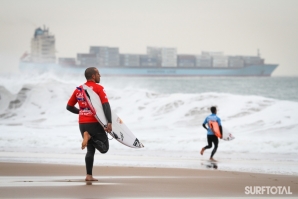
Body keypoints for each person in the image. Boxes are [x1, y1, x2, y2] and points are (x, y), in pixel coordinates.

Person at [66, 67, 112, 181]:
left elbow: (69, 107)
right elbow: (106, 105)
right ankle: (90, 137)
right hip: (94, 122)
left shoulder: (79, 89)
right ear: (93, 76)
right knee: (104, 148)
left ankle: (89, 175)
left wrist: (81, 112)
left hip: (82, 124)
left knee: (90, 150)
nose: (100, 75)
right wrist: (109, 122)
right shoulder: (99, 88)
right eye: (98, 74)